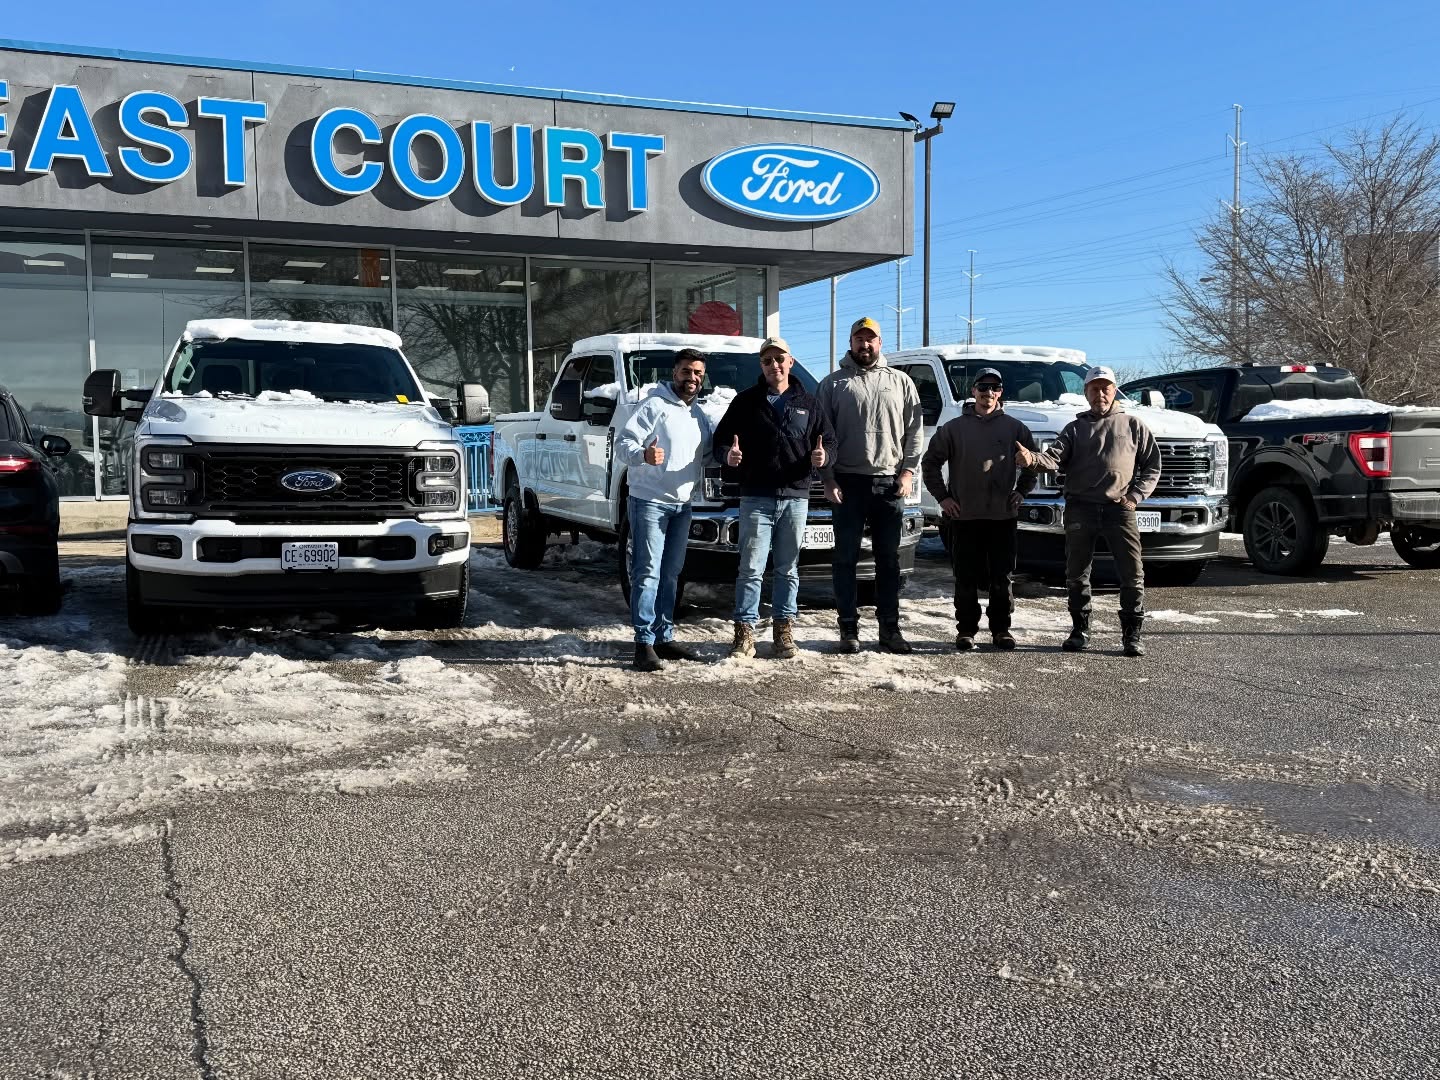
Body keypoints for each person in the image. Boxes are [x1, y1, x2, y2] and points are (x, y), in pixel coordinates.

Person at [1016, 365, 1161, 657]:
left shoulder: (1133, 425)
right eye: (1094, 388)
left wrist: (1135, 496)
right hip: (1081, 509)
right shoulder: (1075, 428)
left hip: (1119, 510)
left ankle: (1132, 636)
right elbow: (1052, 459)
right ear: (1085, 393)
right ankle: (1079, 630)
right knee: (1077, 573)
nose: (1100, 393)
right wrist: (1030, 458)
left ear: (1114, 390)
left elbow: (1152, 466)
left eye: (1106, 387)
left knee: (1132, 573)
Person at [712, 336, 835, 660]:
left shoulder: (809, 403)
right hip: (756, 497)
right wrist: (729, 455)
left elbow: (829, 441)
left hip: (795, 497)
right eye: (767, 361)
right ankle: (744, 634)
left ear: (790, 363)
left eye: (779, 359)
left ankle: (783, 632)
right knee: (750, 568)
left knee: (787, 568)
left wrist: (825, 456)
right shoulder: (745, 402)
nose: (774, 365)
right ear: (762, 366)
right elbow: (721, 441)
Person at [815, 316, 923, 654]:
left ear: (880, 343)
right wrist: (828, 479)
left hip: (889, 483)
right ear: (850, 343)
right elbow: (821, 437)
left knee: (888, 561)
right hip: (846, 484)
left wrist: (907, 473)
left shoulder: (901, 382)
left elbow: (914, 433)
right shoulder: (832, 385)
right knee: (845, 559)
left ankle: (889, 629)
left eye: (871, 339)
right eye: (859, 339)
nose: (865, 345)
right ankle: (848, 628)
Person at [921, 366, 1039, 652]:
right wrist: (943, 498)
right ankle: (966, 630)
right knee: (965, 578)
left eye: (995, 388)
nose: (989, 393)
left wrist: (1021, 491)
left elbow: (1032, 462)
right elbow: (930, 463)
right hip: (964, 517)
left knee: (1001, 578)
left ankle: (1001, 630)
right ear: (972, 391)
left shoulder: (1014, 428)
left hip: (1002, 517)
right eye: (983, 387)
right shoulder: (953, 428)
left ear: (1001, 393)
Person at [616, 349, 713, 671]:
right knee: (647, 573)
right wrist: (643, 455)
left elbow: (709, 454)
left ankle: (664, 636)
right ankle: (643, 643)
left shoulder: (698, 415)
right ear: (675, 373)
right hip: (649, 502)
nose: (692, 378)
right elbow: (623, 443)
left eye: (698, 373)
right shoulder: (653, 406)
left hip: (682, 505)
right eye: (687, 371)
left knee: (671, 575)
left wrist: (730, 457)